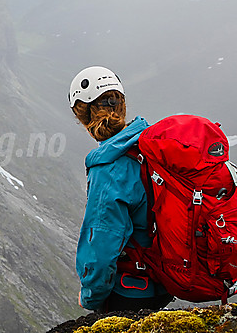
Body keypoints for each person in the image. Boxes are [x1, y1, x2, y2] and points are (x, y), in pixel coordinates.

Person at [68, 66, 173, 312]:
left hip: (131, 292)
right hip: (165, 282)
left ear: (83, 116)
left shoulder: (109, 168)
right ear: (122, 105)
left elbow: (102, 248)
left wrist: (91, 298)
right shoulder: (151, 145)